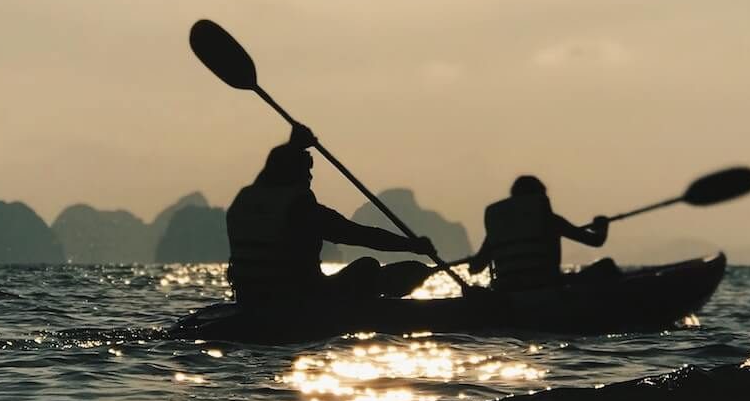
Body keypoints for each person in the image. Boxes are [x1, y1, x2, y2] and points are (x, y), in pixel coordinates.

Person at [226, 123, 437, 309]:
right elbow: (360, 235)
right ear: (293, 174)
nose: (309, 177)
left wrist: (294, 145)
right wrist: (412, 245)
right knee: (367, 266)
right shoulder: (301, 210)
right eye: (305, 171)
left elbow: (273, 168)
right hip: (297, 300)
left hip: (248, 299)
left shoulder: (245, 200)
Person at [468, 175, 618, 292]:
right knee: (607, 266)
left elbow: (475, 269)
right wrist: (602, 226)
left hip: (507, 288)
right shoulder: (550, 220)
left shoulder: (499, 230)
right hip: (545, 285)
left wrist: (473, 261)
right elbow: (595, 241)